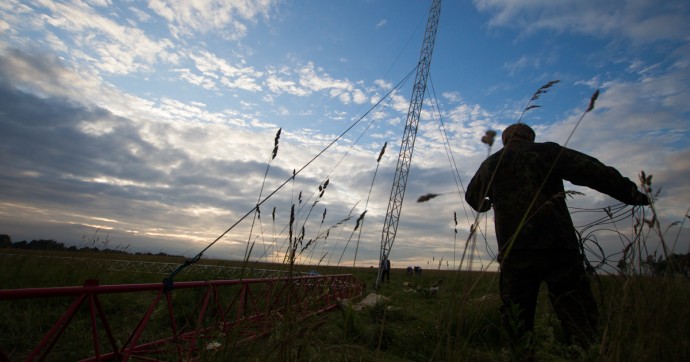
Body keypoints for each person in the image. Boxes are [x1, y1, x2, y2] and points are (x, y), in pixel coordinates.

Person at [465, 123, 648, 351]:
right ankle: (584, 353)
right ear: (530, 137)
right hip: (558, 248)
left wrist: (486, 204)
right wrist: (632, 195)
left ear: (504, 140)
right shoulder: (546, 151)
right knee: (577, 313)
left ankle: (520, 356)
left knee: (516, 319)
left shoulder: (491, 163)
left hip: (515, 252)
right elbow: (592, 170)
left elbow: (473, 198)